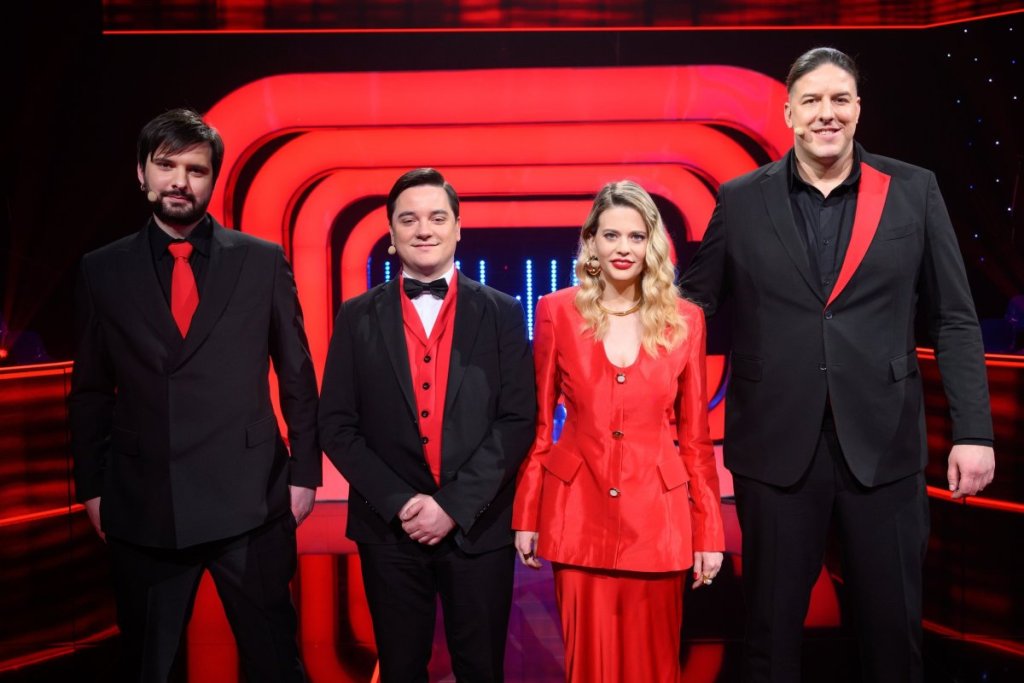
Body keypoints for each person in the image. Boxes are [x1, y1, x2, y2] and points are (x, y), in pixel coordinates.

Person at [679, 47, 995, 682]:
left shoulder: (913, 190)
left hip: (885, 446)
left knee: (893, 636)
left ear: (858, 109)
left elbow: (955, 318)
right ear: (789, 113)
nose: (827, 113)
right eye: (813, 101)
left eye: (839, 99)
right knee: (770, 639)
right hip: (774, 450)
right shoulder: (740, 199)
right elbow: (693, 306)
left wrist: (974, 432)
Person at [68, 108, 320, 682]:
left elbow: (297, 373)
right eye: (167, 166)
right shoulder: (102, 270)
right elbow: (90, 391)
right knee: (147, 668)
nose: (180, 181)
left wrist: (305, 474)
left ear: (213, 179)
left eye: (196, 170)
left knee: (276, 664)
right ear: (142, 173)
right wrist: (92, 488)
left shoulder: (261, 260)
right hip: (143, 504)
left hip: (252, 501)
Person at [317, 168, 536, 682]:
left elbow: (517, 419)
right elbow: (337, 424)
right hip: (388, 529)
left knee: (481, 669)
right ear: (391, 233)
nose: (424, 230)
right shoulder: (355, 316)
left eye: (438, 218)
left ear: (458, 228)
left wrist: (452, 506)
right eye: (408, 219)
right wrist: (401, 504)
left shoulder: (503, 312)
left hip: (479, 526)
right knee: (399, 669)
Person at [513, 180, 725, 683]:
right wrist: (527, 513)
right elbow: (539, 427)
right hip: (577, 514)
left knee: (655, 665)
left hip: (659, 520)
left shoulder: (686, 321)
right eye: (611, 235)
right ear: (591, 242)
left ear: (653, 245)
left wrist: (709, 532)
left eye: (636, 236)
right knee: (589, 665)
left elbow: (696, 440)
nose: (623, 248)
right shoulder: (556, 312)